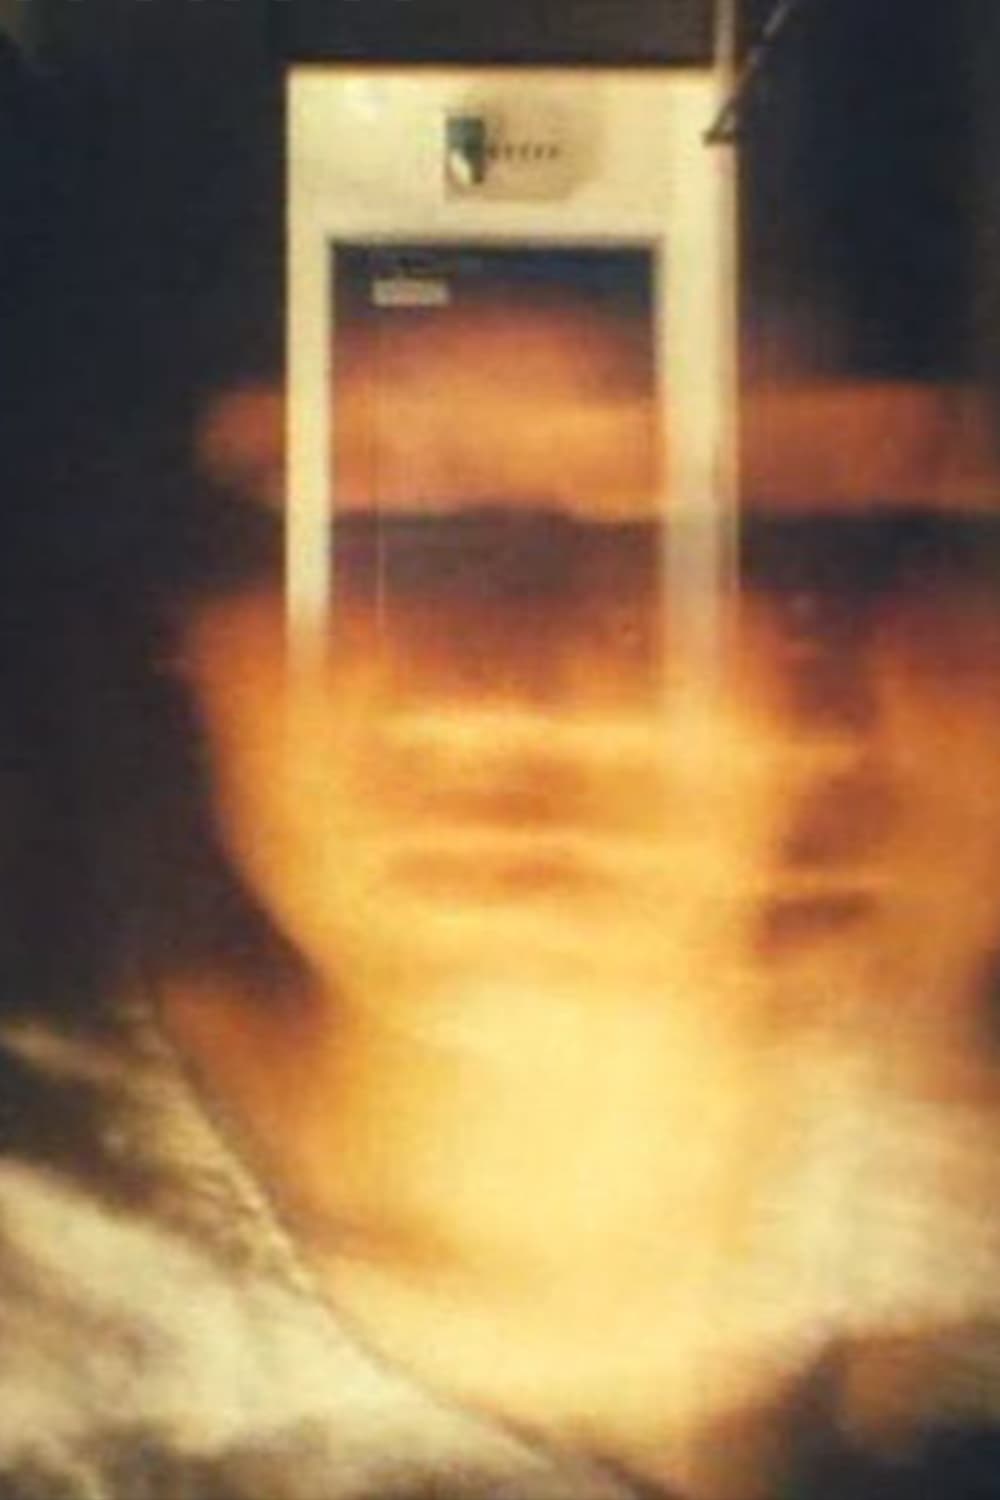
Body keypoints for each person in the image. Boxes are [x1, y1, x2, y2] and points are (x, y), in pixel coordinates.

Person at [3, 40, 1000, 1500]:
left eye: (662, 526)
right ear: (185, 626)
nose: (504, 694)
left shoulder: (947, 1254)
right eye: (380, 520)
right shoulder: (50, 1344)